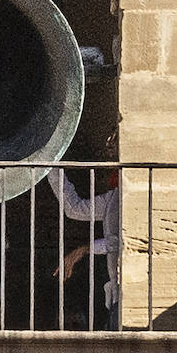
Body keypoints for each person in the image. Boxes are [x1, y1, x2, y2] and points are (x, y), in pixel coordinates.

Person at [48, 135, 121, 330]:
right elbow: (74, 208)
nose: (108, 145)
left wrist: (84, 249)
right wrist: (49, 164)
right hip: (115, 295)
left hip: (126, 293)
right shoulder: (113, 197)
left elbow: (126, 241)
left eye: (115, 140)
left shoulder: (136, 192)